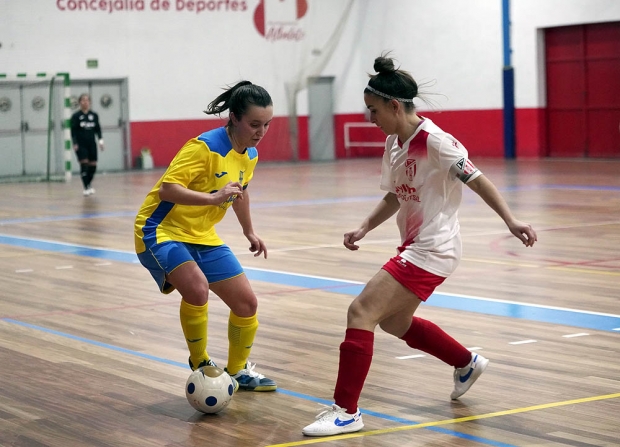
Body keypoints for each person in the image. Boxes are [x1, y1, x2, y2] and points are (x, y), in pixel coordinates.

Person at [302, 55, 537, 437]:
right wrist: (364, 226)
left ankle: (346, 411)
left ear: (395, 106)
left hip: (434, 248)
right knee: (395, 321)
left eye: (373, 110)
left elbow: (478, 180)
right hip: (415, 245)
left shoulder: (437, 142)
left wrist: (510, 220)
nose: (369, 118)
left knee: (360, 311)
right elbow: (397, 194)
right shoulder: (395, 144)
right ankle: (466, 363)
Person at [134, 81, 277, 393]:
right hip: (159, 230)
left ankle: (238, 371)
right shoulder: (204, 148)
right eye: (254, 124)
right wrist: (213, 199)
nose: (260, 132)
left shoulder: (248, 155)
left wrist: (249, 231)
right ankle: (200, 362)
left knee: (246, 303)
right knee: (197, 290)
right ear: (235, 117)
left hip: (201, 234)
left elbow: (241, 193)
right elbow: (167, 190)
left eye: (266, 124)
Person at [70, 94, 104, 196]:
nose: (85, 102)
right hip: (81, 144)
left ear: (90, 102)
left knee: (93, 166)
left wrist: (101, 141)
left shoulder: (94, 115)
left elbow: (98, 129)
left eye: (87, 100)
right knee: (84, 164)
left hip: (91, 143)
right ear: (80, 102)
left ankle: (88, 184)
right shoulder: (76, 116)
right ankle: (86, 187)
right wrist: (75, 143)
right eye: (83, 100)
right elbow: (73, 131)